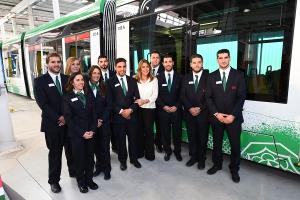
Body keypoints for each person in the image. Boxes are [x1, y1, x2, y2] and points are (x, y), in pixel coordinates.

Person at [34, 52, 74, 193]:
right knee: (55, 153)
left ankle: (73, 172)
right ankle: (54, 181)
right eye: (53, 62)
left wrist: (66, 116)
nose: (56, 64)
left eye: (58, 61)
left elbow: (71, 98)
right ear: (47, 64)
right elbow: (43, 104)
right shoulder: (40, 81)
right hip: (52, 124)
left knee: (71, 150)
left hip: (69, 123)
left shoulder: (67, 78)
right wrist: (59, 117)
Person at [205, 49, 246, 183]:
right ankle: (217, 165)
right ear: (217, 60)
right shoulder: (211, 76)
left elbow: (241, 98)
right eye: (220, 58)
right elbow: (208, 97)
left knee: (235, 146)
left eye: (225, 57)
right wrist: (216, 114)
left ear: (229, 58)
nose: (223, 60)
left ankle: (234, 169)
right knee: (217, 144)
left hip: (233, 119)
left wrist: (232, 116)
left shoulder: (238, 75)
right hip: (217, 118)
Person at [63, 72, 98, 193]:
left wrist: (93, 130)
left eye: (82, 80)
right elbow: (69, 119)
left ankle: (89, 180)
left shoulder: (89, 95)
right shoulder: (67, 97)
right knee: (79, 159)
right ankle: (81, 182)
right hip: (77, 135)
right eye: (77, 80)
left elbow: (94, 115)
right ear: (72, 82)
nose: (81, 82)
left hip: (91, 133)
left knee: (90, 158)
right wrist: (82, 133)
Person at [107, 58, 141, 171]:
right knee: (121, 141)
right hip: (118, 118)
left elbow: (137, 99)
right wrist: (122, 112)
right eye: (120, 66)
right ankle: (123, 161)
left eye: (124, 66)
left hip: (132, 116)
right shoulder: (110, 82)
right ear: (116, 68)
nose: (122, 69)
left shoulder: (133, 81)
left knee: (133, 139)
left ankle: (134, 159)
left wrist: (130, 110)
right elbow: (110, 102)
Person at [181, 54, 209, 169]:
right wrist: (190, 108)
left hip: (204, 113)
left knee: (203, 138)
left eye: (199, 62)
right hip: (189, 113)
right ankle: (193, 157)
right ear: (190, 64)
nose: (197, 64)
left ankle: (202, 159)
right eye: (194, 62)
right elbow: (182, 96)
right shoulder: (185, 78)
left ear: (202, 63)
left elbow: (211, 96)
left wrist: (200, 108)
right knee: (192, 137)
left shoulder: (209, 77)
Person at [87, 65, 112, 180]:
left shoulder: (105, 86)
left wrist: (101, 119)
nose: (96, 75)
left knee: (105, 147)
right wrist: (94, 121)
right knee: (95, 147)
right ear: (90, 74)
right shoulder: (85, 87)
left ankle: (107, 169)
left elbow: (109, 105)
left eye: (98, 73)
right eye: (94, 73)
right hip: (91, 123)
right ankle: (99, 167)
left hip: (104, 122)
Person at [157, 54, 182, 162]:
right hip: (163, 111)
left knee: (177, 132)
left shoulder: (180, 77)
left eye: (169, 61)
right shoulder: (157, 78)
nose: (168, 63)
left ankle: (177, 152)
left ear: (173, 63)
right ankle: (167, 151)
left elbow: (183, 94)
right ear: (163, 64)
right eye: (165, 62)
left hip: (176, 111)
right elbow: (156, 95)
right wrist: (164, 106)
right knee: (165, 133)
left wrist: (176, 106)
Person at [135, 59, 158, 161]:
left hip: (150, 109)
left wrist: (145, 101)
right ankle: (139, 152)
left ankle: (149, 154)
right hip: (138, 109)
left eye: (147, 67)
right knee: (139, 131)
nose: (145, 69)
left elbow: (155, 95)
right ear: (140, 68)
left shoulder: (154, 80)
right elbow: (133, 94)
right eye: (143, 67)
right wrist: (137, 101)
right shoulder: (135, 80)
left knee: (149, 132)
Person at [98, 55, 118, 154]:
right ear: (98, 63)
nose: (104, 63)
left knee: (115, 130)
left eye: (105, 61)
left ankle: (115, 147)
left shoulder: (114, 74)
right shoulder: (96, 75)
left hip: (114, 107)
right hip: (102, 108)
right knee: (104, 132)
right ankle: (105, 151)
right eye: (101, 61)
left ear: (108, 63)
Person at [150, 50, 164, 153]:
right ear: (150, 59)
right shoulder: (145, 69)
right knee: (148, 126)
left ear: (160, 60)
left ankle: (159, 144)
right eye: (153, 57)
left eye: (157, 57)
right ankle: (149, 145)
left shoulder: (164, 70)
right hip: (148, 104)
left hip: (159, 104)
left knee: (159, 126)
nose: (155, 59)